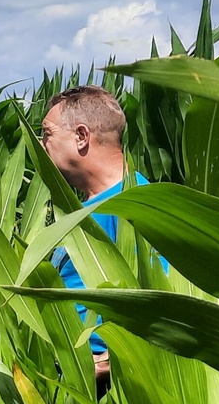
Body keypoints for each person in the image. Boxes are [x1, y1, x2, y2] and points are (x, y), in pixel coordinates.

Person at [38, 85, 147, 384]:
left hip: (106, 390)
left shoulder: (137, 201)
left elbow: (166, 301)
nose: (41, 143)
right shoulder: (85, 208)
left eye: (47, 133)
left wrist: (109, 364)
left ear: (81, 136)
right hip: (70, 379)